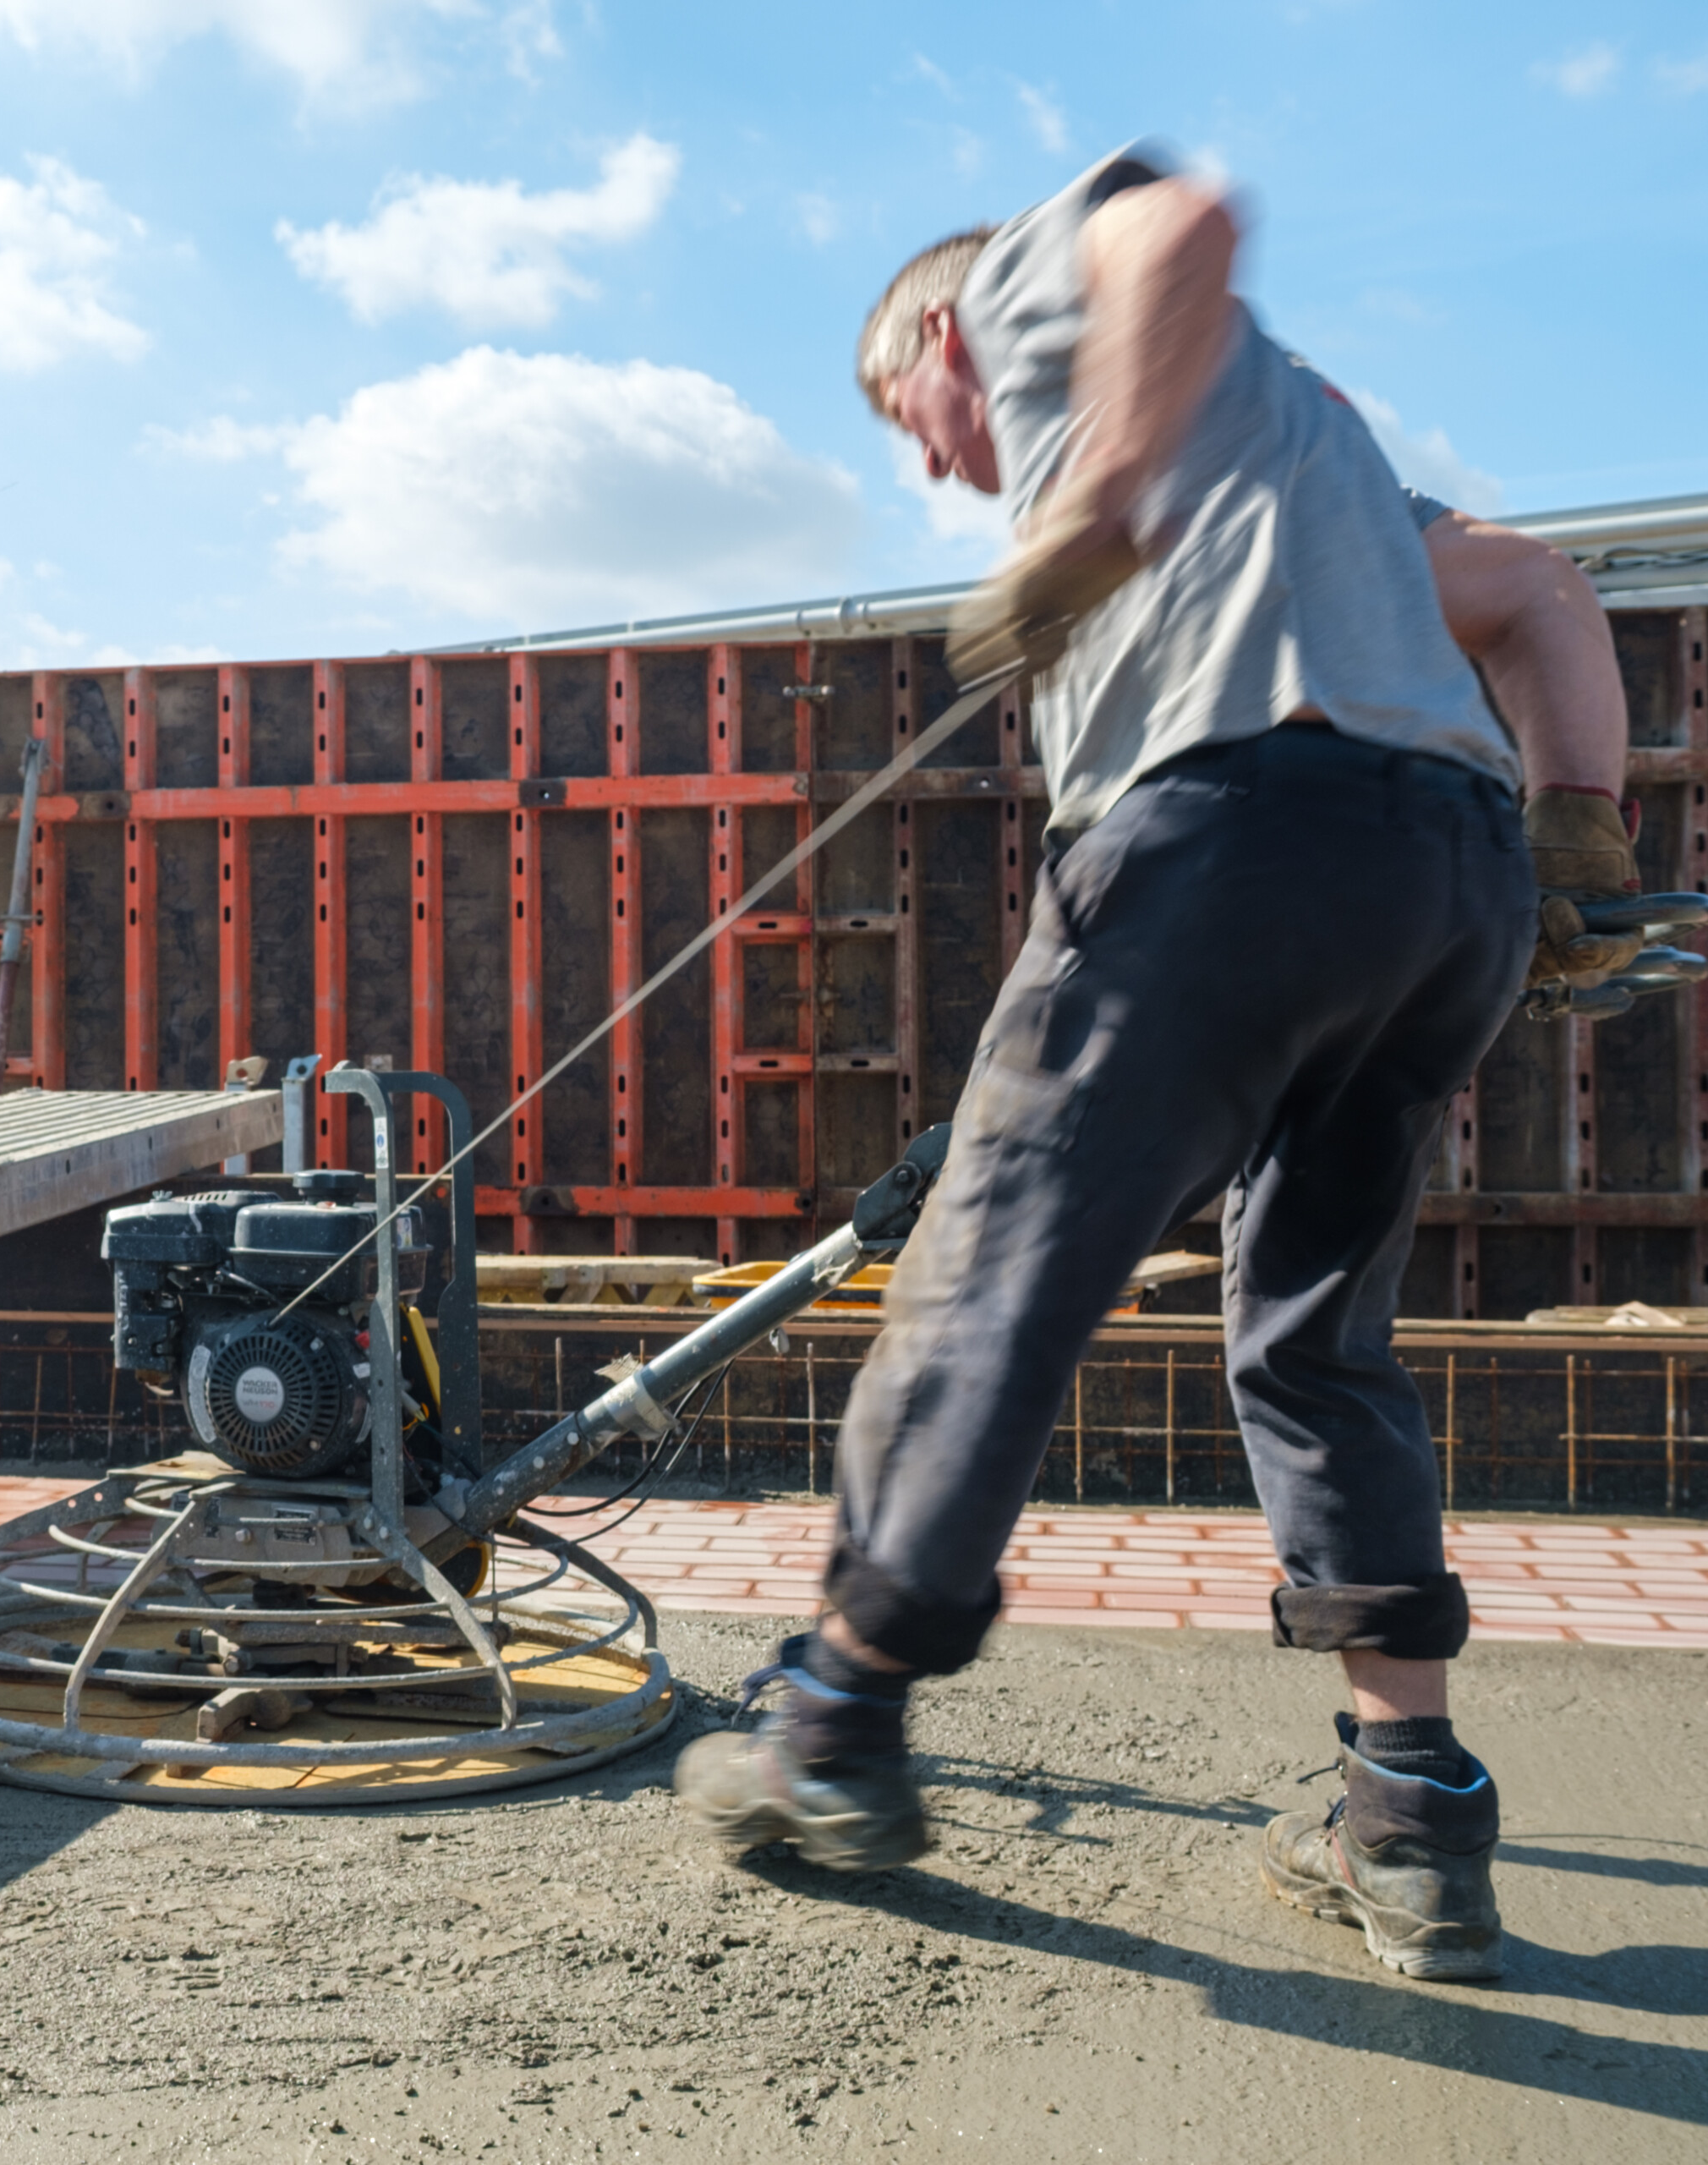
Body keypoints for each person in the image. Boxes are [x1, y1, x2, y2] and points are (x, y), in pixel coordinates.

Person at [671, 140, 1645, 1987]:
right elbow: (1538, 597)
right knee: (1314, 1336)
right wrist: (1575, 836)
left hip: (1228, 838)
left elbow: (1181, 218)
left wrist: (1091, 503)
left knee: (994, 1272)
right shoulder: (1319, 459)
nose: (937, 461)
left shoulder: (1043, 287)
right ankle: (1411, 1806)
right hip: (1448, 882)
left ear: (949, 332)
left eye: (910, 408)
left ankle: (835, 1713)